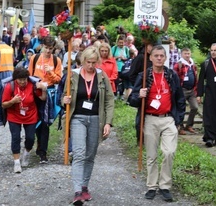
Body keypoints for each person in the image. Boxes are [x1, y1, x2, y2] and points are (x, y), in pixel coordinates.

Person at [128, 45, 185, 202]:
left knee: (169, 152)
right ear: (151, 58)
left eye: (162, 55)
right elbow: (131, 100)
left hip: (168, 119)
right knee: (151, 155)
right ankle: (152, 186)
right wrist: (139, 95)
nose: (159, 58)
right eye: (156, 56)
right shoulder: (144, 76)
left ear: (165, 58)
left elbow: (180, 98)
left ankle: (165, 185)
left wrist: (178, 120)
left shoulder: (171, 75)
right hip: (150, 119)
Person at [62, 46, 115, 205]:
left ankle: (85, 186)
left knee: (90, 155)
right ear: (82, 61)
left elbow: (109, 100)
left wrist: (108, 122)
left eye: (94, 62)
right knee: (79, 153)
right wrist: (65, 100)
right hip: (78, 117)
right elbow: (64, 96)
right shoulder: (73, 75)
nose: (91, 66)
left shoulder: (102, 76)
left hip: (96, 118)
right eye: (88, 62)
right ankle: (77, 190)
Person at [1, 67, 47, 173]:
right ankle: (16, 162)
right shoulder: (10, 86)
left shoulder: (32, 86)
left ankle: (26, 153)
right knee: (15, 137)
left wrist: (44, 89)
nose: (22, 82)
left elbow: (42, 98)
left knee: (30, 138)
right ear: (15, 79)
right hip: (14, 115)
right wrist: (12, 101)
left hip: (30, 115)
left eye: (24, 79)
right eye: (20, 80)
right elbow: (3, 104)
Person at [28, 36, 63, 164]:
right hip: (35, 92)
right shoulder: (35, 58)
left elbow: (59, 79)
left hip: (49, 93)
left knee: (45, 122)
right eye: (46, 48)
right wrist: (35, 84)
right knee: (35, 120)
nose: (48, 51)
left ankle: (43, 151)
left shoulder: (56, 60)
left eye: (51, 49)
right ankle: (36, 144)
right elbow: (29, 75)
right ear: (42, 46)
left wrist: (50, 73)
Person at [173, 48, 199, 135]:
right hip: (182, 90)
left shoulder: (193, 64)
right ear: (182, 54)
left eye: (188, 53)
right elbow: (175, 78)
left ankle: (189, 125)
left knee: (195, 107)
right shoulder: (178, 65)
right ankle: (180, 127)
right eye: (185, 53)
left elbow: (196, 77)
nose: (187, 55)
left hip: (192, 90)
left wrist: (197, 90)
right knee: (181, 109)